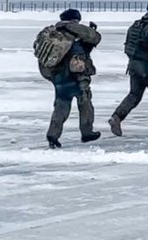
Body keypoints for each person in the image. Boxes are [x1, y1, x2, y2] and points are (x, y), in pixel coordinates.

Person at [37, 9, 102, 148]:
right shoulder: (75, 29)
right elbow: (95, 37)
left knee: (61, 106)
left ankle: (53, 135)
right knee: (85, 103)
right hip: (76, 76)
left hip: (58, 77)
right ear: (75, 19)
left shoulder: (54, 32)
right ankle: (87, 132)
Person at [109, 1, 148, 136]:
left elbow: (133, 46)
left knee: (134, 96)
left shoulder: (135, 26)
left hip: (134, 67)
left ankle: (117, 117)